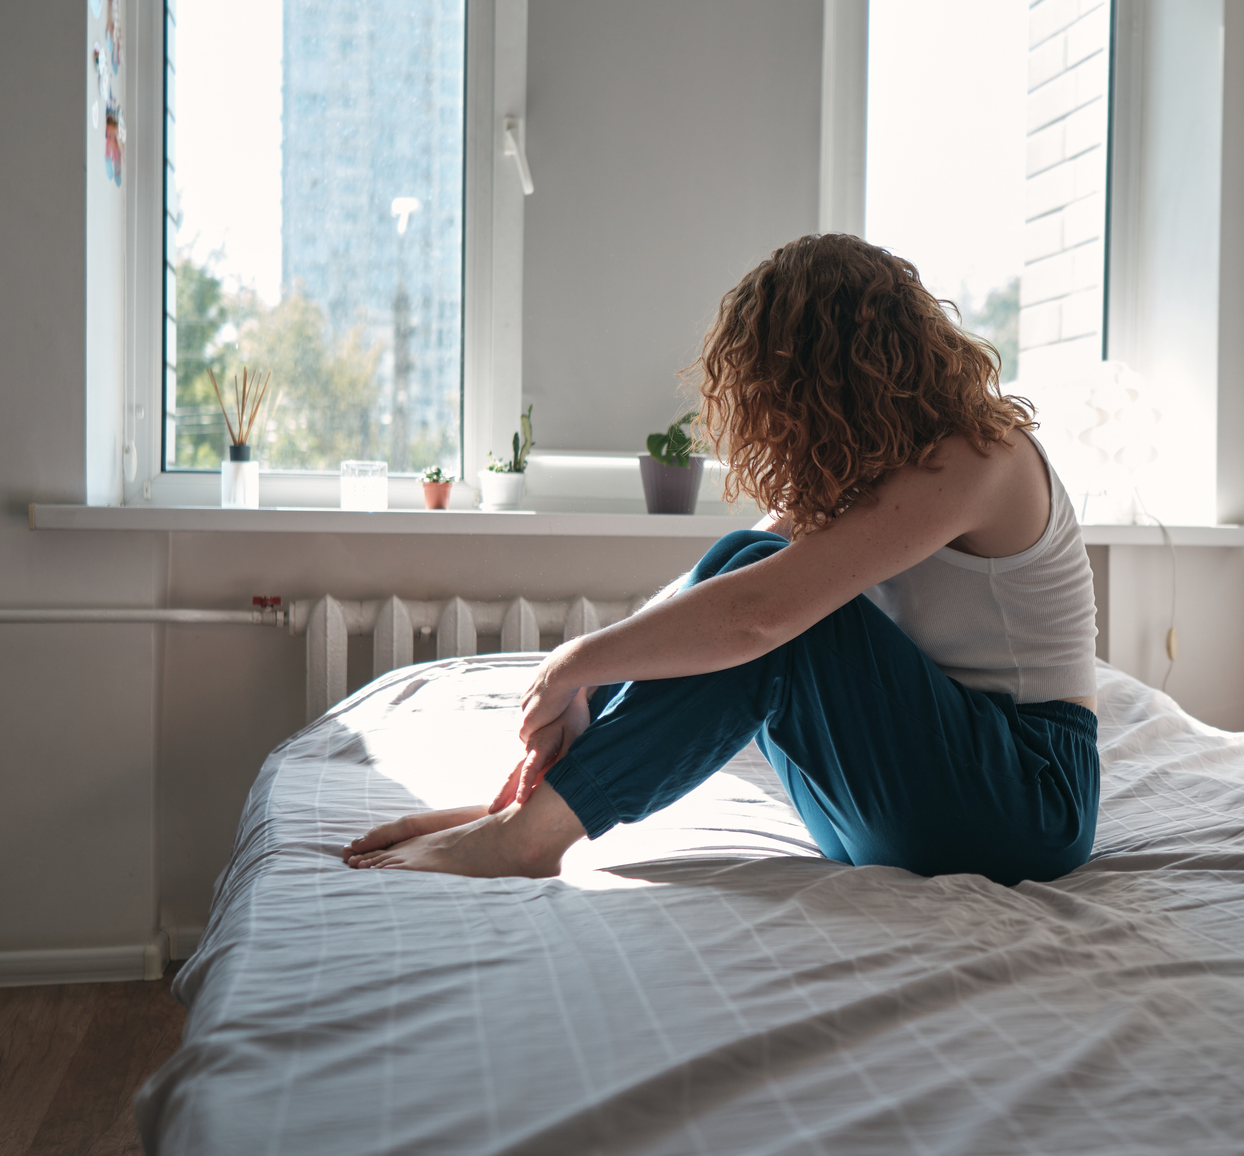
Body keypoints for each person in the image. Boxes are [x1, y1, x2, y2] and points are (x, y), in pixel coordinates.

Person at [343, 234, 1100, 886]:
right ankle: (530, 819)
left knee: (782, 612)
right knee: (746, 565)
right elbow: (705, 597)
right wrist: (534, 772)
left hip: (1029, 800)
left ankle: (531, 839)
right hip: (921, 806)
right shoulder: (873, 478)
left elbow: (757, 618)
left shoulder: (979, 457)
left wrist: (567, 662)